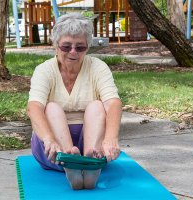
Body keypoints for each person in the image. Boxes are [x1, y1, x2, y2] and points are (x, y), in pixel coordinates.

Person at [27, 13, 122, 190]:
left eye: (80, 47)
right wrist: (48, 140)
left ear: (87, 48)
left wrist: (110, 139)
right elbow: (34, 107)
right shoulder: (44, 70)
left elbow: (113, 103)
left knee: (97, 105)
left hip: (92, 142)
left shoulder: (98, 67)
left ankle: (91, 162)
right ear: (55, 45)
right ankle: (69, 161)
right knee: (51, 108)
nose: (73, 52)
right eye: (66, 46)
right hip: (53, 148)